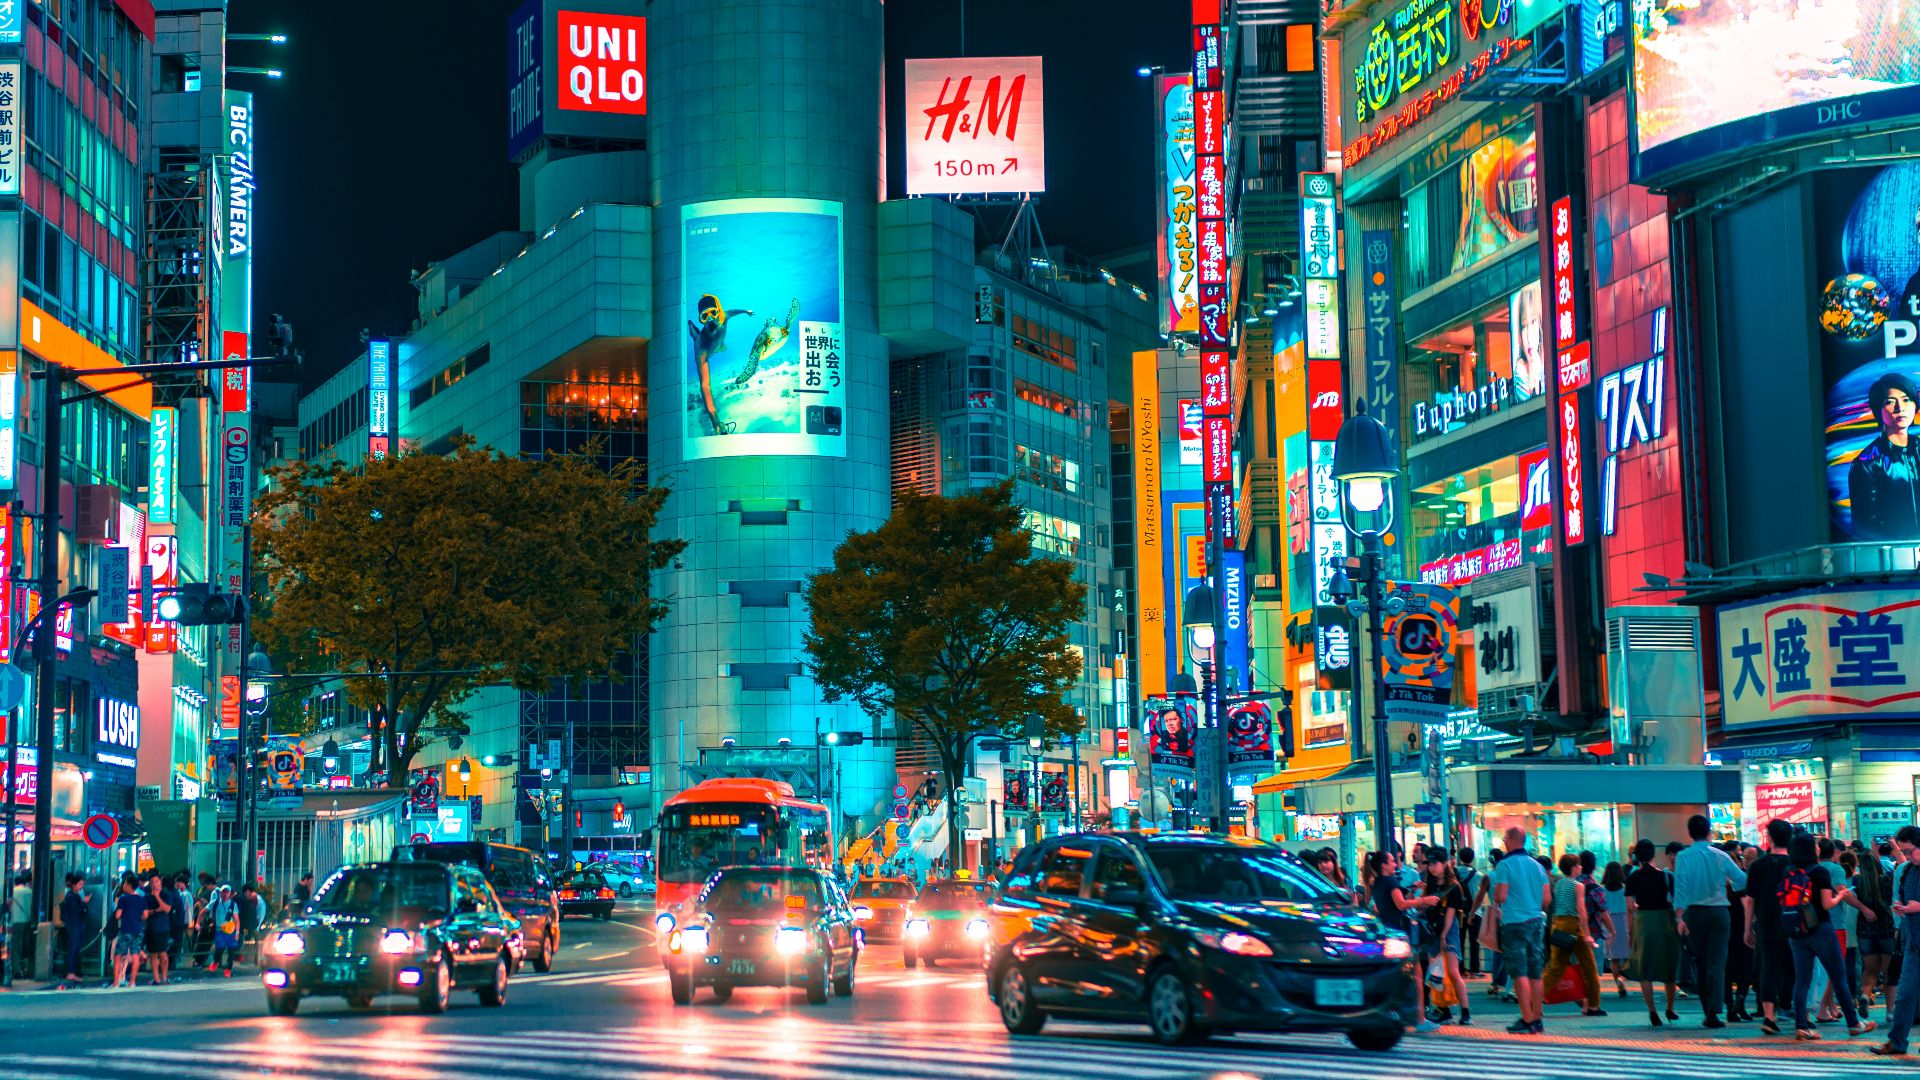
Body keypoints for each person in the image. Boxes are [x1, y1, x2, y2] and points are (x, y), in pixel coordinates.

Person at [1785, 831, 1874, 1040]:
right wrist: (1841, 895)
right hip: (1821, 930)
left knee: (1802, 980)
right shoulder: (1819, 872)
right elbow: (1826, 904)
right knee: (1838, 976)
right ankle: (1853, 1024)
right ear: (1810, 849)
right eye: (1815, 845)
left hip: (1797, 931)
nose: (1818, 847)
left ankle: (1801, 1026)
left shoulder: (1790, 870)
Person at [1673, 813, 1747, 1028]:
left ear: (1689, 833)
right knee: (1718, 962)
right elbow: (1741, 880)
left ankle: (1708, 1011)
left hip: (1694, 913)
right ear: (1709, 832)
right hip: (1719, 912)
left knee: (1701, 962)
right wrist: (1727, 885)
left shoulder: (1684, 857)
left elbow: (1680, 888)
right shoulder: (1720, 855)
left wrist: (1680, 917)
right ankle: (1715, 1011)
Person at [1367, 849, 1441, 1033]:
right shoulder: (1390, 881)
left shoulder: (1376, 882)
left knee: (1395, 976)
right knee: (1416, 976)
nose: (1395, 864)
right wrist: (1425, 900)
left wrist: (1413, 891)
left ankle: (1395, 1013)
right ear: (1384, 865)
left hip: (1387, 933)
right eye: (1391, 861)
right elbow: (1400, 905)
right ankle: (1419, 1018)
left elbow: (1389, 904)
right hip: (1400, 934)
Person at [1847, 372, 1920, 540]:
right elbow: (1865, 527)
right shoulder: (1867, 463)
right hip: (1892, 559)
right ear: (1878, 410)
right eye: (1890, 402)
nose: (1900, 408)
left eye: (1906, 399)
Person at [1492, 826, 1551, 1034]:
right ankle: (1538, 1017)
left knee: (1519, 972)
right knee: (1536, 972)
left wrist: (1500, 902)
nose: (1503, 841)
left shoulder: (1505, 865)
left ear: (1510, 840)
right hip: (1536, 922)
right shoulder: (1538, 866)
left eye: (1504, 838)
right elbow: (1547, 900)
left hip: (1514, 922)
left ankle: (1527, 1019)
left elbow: (1500, 896)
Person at [1745, 818, 1797, 1035]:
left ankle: (1769, 1016)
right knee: (1795, 969)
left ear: (1769, 838)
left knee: (1769, 969)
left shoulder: (1758, 866)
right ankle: (1792, 1008)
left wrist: (1747, 928)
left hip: (1766, 924)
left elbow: (1750, 899)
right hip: (1794, 926)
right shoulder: (1796, 865)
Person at [1873, 825, 1920, 1056]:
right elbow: (1902, 899)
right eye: (1903, 852)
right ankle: (1897, 1041)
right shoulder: (1907, 872)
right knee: (1905, 994)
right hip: (1913, 943)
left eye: (1910, 851)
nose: (1907, 856)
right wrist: (1900, 908)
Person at [1541, 853, 1606, 1018]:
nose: (1581, 867)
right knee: (1589, 966)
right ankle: (1593, 1005)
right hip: (1573, 926)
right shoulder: (1578, 885)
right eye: (1578, 865)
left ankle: (1535, 996)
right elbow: (1581, 910)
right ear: (1573, 867)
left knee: (1555, 967)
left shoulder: (1559, 884)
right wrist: (1587, 934)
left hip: (1558, 925)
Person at [1626, 838, 1681, 1025]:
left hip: (1643, 923)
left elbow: (1630, 907)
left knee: (1645, 970)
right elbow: (1676, 903)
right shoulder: (1666, 877)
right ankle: (1670, 1008)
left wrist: (1630, 931)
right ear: (1653, 854)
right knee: (1669, 968)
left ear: (1636, 856)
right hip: (1665, 922)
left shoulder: (1633, 877)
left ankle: (1652, 1011)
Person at [1422, 850, 1472, 1025]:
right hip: (1432, 930)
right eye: (1429, 864)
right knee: (1436, 972)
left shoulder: (1453, 886)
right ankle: (1444, 1010)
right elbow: (1423, 904)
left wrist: (1443, 935)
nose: (1432, 867)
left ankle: (1465, 1013)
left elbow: (1451, 914)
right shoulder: (1431, 883)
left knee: (1452, 971)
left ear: (1445, 863)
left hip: (1447, 932)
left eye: (1435, 863)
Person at [1861, 846, 1897, 1013]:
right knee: (1889, 972)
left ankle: (1865, 996)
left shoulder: (1857, 882)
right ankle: (1890, 1011)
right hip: (1886, 929)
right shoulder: (1886, 880)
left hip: (1865, 931)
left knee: (1870, 969)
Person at [1724, 841, 1756, 1022]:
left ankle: (1731, 1007)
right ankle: (1740, 1004)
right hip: (1742, 930)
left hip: (1726, 932)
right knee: (1745, 969)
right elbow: (1749, 907)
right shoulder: (1743, 881)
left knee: (1728, 971)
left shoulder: (1719, 885)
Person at [108, 875, 146, 989]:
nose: (123, 885)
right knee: (135, 955)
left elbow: (118, 915)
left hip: (125, 930)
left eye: (124, 884)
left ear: (129, 885)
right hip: (138, 930)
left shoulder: (123, 898)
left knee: (118, 956)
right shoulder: (141, 898)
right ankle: (132, 982)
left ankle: (116, 982)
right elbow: (145, 915)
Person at [53, 872, 89, 985]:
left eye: (82, 884)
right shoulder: (71, 897)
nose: (81, 886)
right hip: (74, 926)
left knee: (74, 949)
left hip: (74, 925)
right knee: (73, 949)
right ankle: (71, 972)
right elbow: (76, 912)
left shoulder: (72, 896)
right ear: (73, 885)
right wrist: (84, 903)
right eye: (79, 884)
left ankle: (72, 972)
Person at [1602, 861, 1631, 998]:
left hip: (1609, 924)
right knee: (1626, 956)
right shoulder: (1625, 889)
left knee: (1613, 959)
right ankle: (1622, 978)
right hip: (1623, 922)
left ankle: (1619, 984)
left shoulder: (1601, 889)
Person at [1456, 848, 1484, 975]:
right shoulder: (1478, 875)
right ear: (1473, 858)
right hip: (1475, 912)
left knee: (1460, 940)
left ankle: (1460, 968)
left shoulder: (1454, 872)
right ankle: (1475, 969)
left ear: (1460, 857)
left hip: (1459, 911)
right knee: (1474, 941)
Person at [143, 872, 173, 985]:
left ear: (160, 882)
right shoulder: (146, 897)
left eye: (156, 881)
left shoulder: (166, 894)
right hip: (150, 928)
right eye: (151, 882)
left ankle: (164, 977)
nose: (154, 884)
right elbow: (145, 913)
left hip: (163, 928)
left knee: (163, 953)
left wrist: (157, 896)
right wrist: (155, 910)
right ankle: (156, 978)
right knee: (153, 954)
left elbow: (166, 909)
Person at [206, 885, 241, 977]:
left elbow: (236, 919)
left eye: (227, 892)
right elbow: (204, 911)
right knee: (219, 948)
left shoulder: (233, 904)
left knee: (231, 950)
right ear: (220, 893)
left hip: (230, 930)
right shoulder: (216, 903)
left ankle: (228, 969)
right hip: (219, 930)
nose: (225, 894)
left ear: (230, 893)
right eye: (223, 892)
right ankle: (216, 961)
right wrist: (197, 923)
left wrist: (237, 932)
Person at [7, 871, 30, 980]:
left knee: (16, 946)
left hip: (15, 921)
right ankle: (26, 969)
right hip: (27, 921)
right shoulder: (30, 891)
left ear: (15, 883)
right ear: (25, 882)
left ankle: (16, 970)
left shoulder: (12, 892)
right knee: (26, 945)